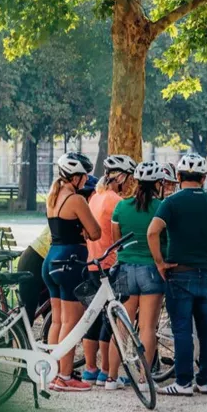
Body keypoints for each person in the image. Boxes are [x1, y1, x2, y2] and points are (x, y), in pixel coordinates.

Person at [147, 153, 207, 396]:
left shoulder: (171, 202)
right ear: (203, 178)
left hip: (179, 273)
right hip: (206, 274)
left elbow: (152, 232)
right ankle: (205, 380)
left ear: (178, 177)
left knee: (182, 330)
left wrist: (160, 262)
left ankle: (182, 382)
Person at [42, 152, 101, 392]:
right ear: (74, 177)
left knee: (57, 321)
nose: (86, 180)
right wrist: (84, 231)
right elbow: (95, 232)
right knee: (72, 322)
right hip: (70, 260)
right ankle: (66, 377)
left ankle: (53, 372)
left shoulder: (52, 196)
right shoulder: (76, 200)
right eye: (84, 176)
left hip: (51, 259)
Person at [106, 161, 167, 391]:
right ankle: (144, 380)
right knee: (147, 328)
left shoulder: (121, 207)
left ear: (137, 181)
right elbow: (165, 241)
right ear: (158, 184)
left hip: (125, 269)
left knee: (121, 327)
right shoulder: (162, 207)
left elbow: (116, 241)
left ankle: (111, 378)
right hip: (151, 269)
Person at [81, 154, 136, 386]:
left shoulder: (95, 197)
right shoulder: (116, 200)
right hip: (109, 264)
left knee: (92, 318)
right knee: (109, 319)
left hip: (91, 261)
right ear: (121, 177)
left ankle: (90, 369)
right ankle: (106, 371)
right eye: (129, 178)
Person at [17, 175, 98, 323]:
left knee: (54, 318)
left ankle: (50, 345)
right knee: (26, 317)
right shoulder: (74, 210)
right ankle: (16, 344)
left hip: (48, 263)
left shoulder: (70, 209)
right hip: (35, 260)